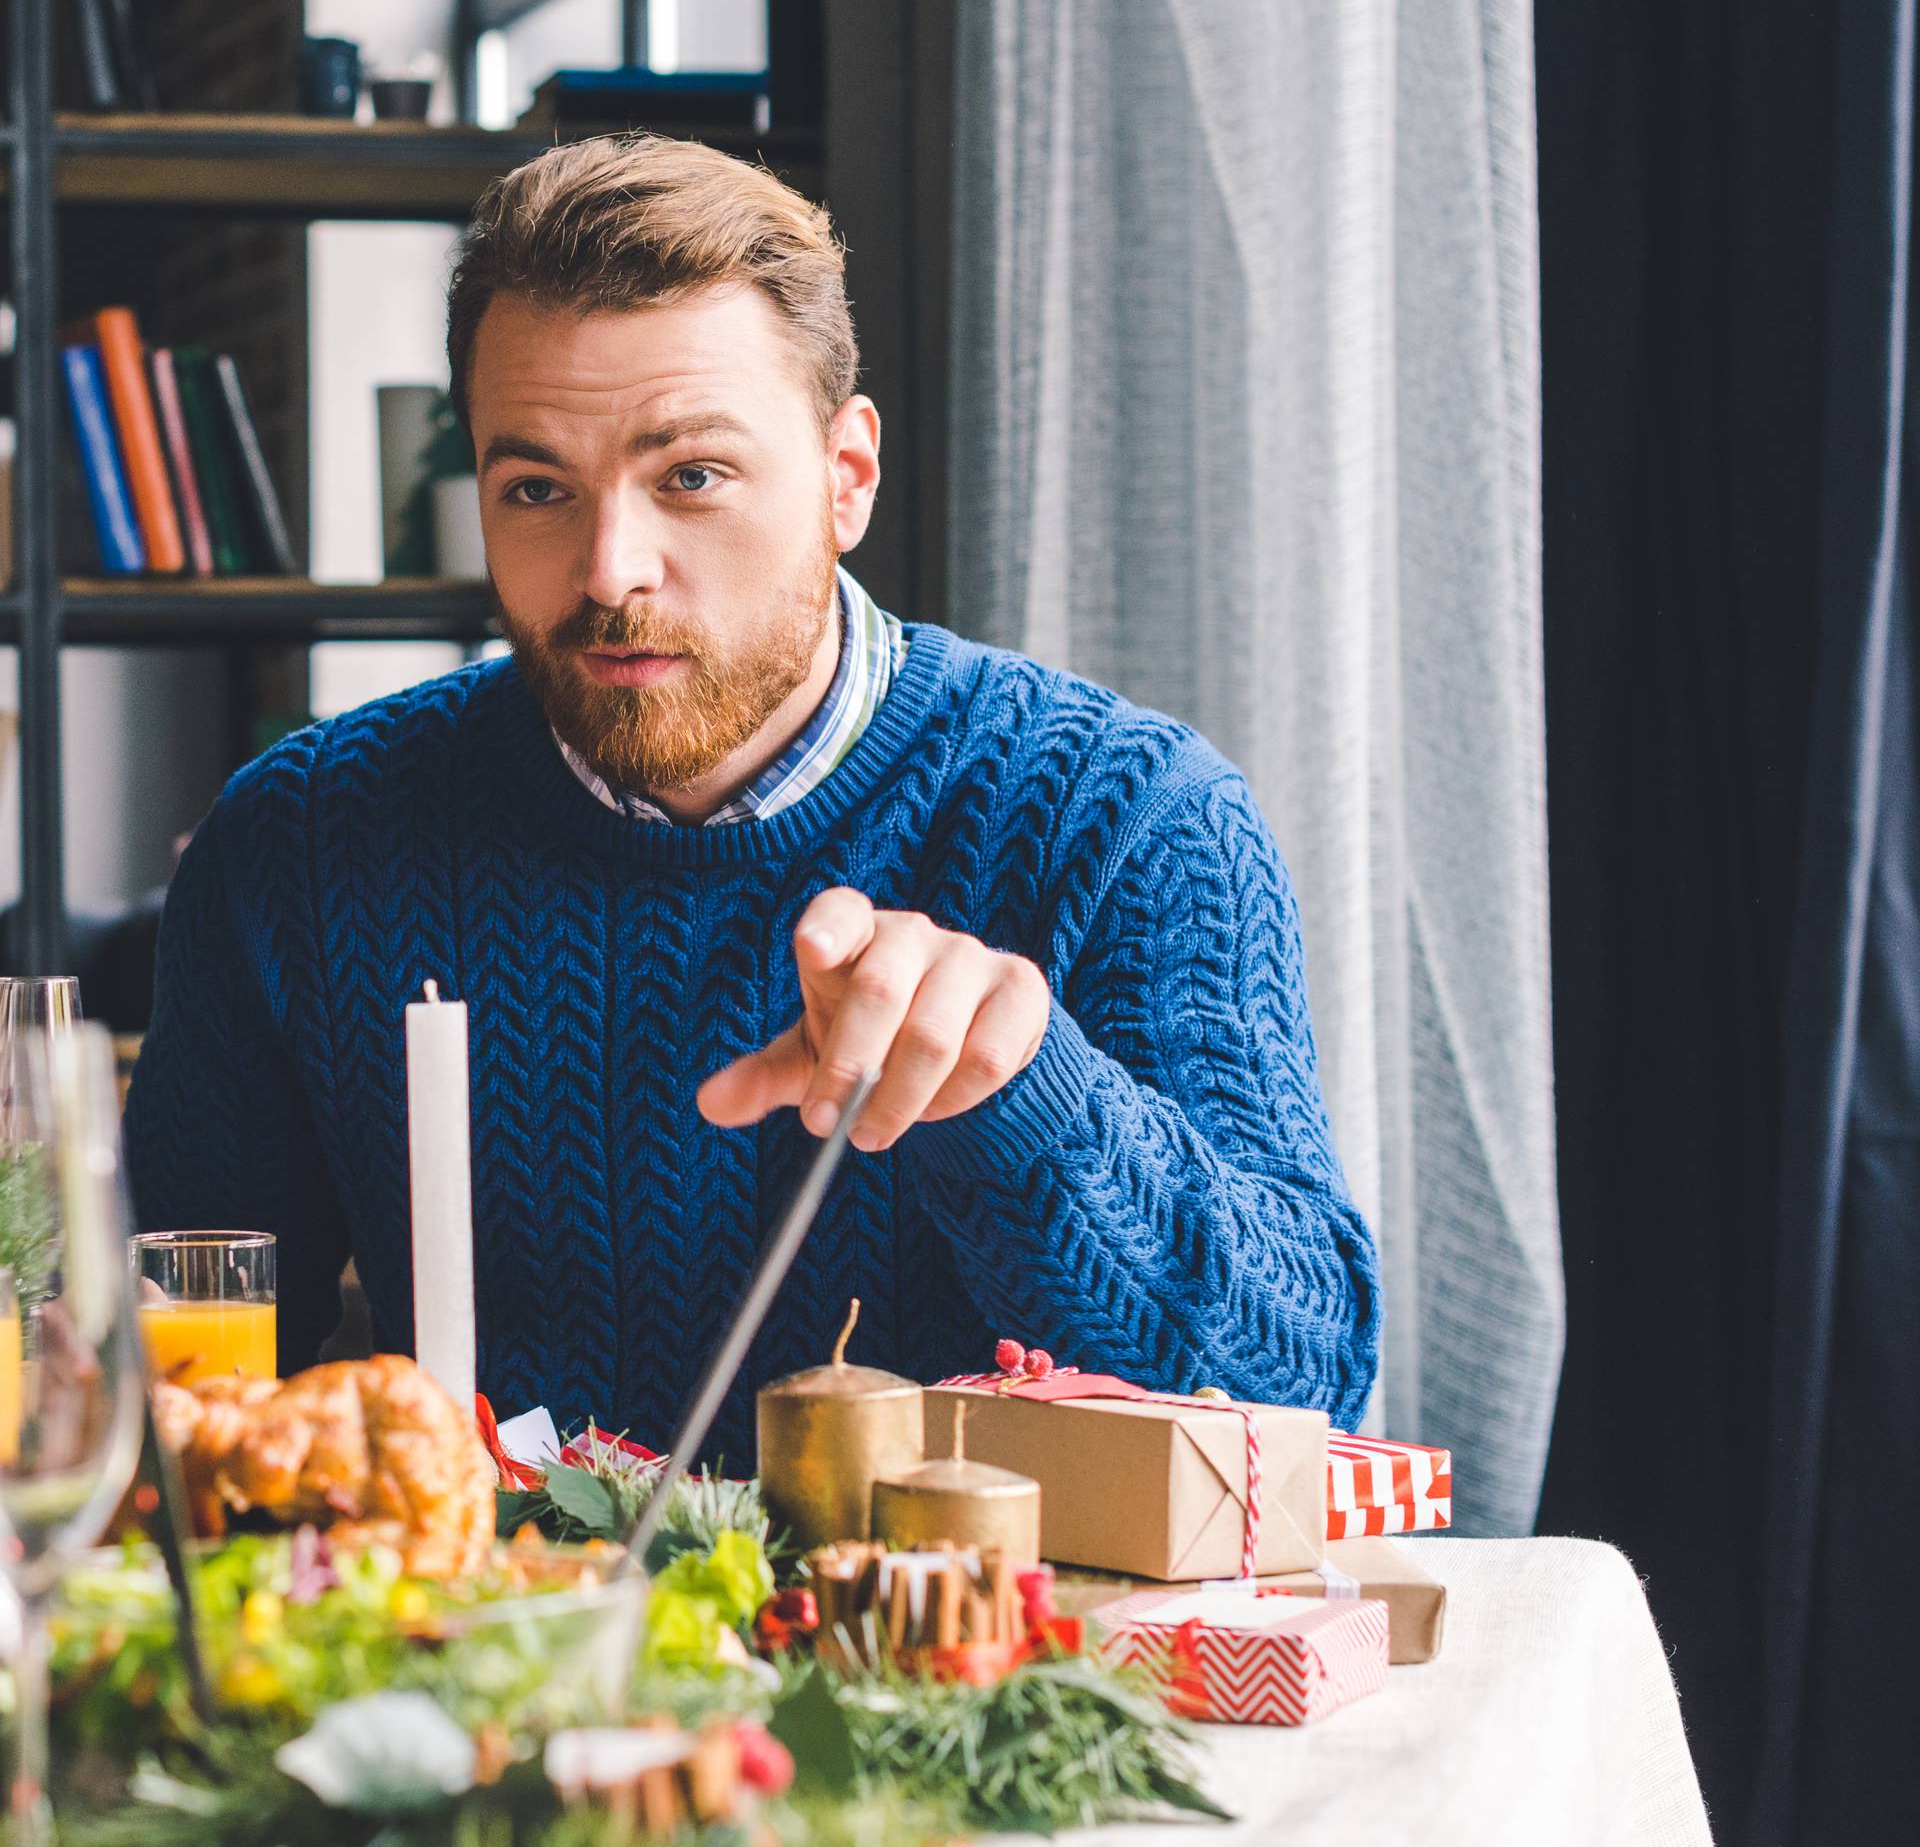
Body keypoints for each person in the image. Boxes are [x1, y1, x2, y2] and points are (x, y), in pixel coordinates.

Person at [125, 136, 1380, 1457]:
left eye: (693, 477)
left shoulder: (1130, 820)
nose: (611, 569)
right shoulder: (302, 842)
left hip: (963, 1656)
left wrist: (1030, 1099)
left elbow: (1310, 1391)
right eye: (538, 487)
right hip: (497, 1650)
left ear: (848, 478)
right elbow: (166, 1382)